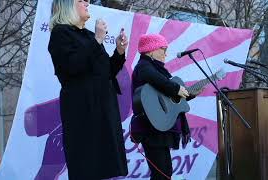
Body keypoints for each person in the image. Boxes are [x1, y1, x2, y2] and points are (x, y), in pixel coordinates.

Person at [48, 0, 128, 179]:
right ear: (67, 5)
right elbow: (72, 66)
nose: (87, 2)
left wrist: (119, 51)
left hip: (103, 110)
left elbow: (107, 71)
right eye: (81, 0)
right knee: (88, 168)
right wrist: (98, 40)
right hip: (83, 111)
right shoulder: (61, 33)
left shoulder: (89, 35)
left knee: (107, 170)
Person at [131, 34, 200, 180]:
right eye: (163, 49)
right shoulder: (144, 66)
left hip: (160, 128)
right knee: (162, 174)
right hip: (150, 128)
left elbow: (171, 97)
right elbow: (155, 79)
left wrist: (191, 94)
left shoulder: (160, 71)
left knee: (165, 173)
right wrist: (175, 89)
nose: (166, 53)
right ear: (151, 51)